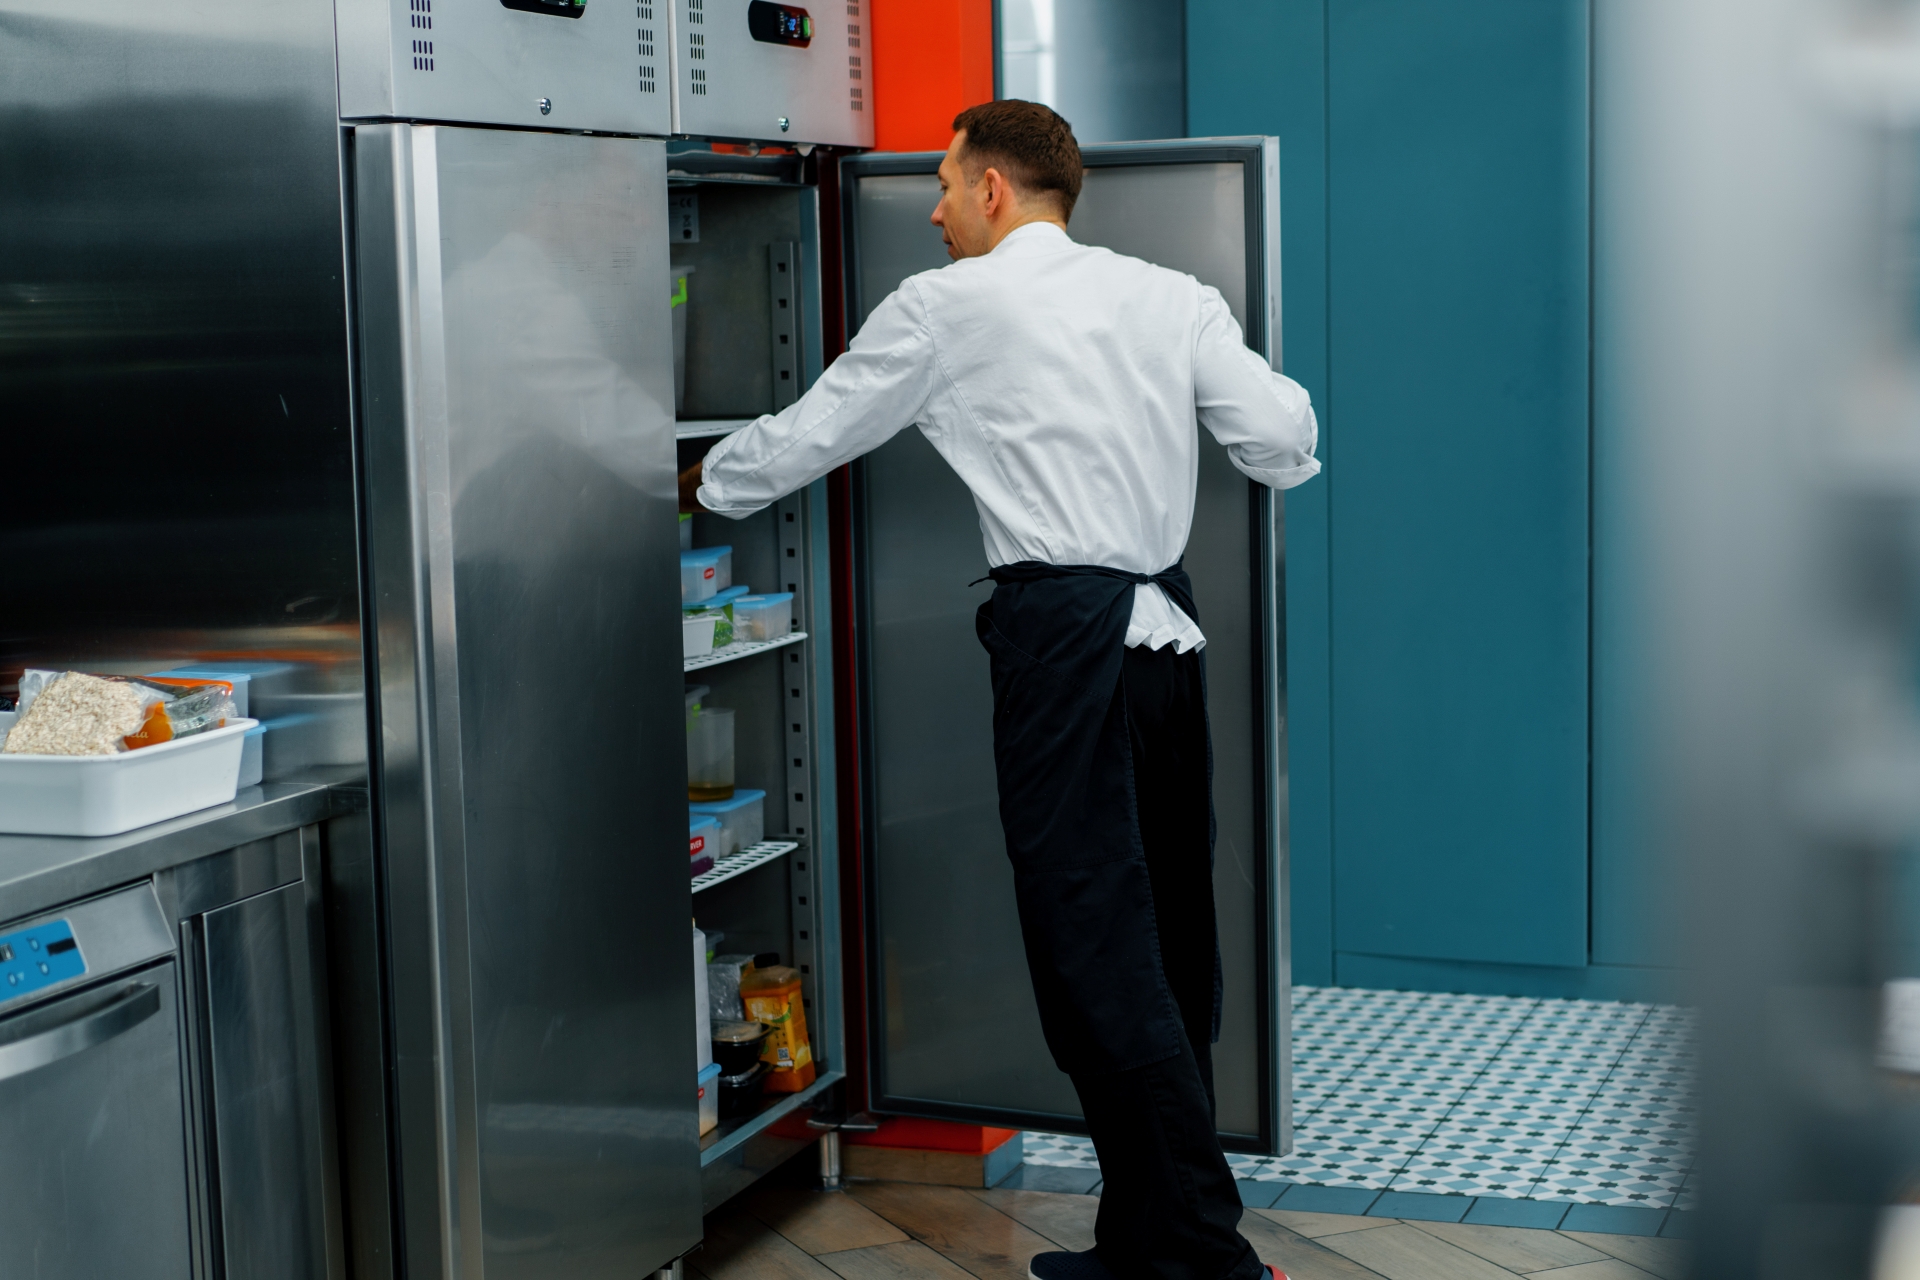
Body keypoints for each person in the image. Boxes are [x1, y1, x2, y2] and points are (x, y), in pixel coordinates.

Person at [679, 99, 1319, 1280]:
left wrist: (694, 480)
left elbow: (811, 433)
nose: (929, 209)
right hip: (1163, 639)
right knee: (1164, 934)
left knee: (1094, 942)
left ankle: (1200, 1259)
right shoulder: (1171, 295)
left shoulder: (948, 306)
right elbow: (1280, 438)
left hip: (1063, 643)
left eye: (942, 182)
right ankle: (1145, 1241)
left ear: (992, 189)